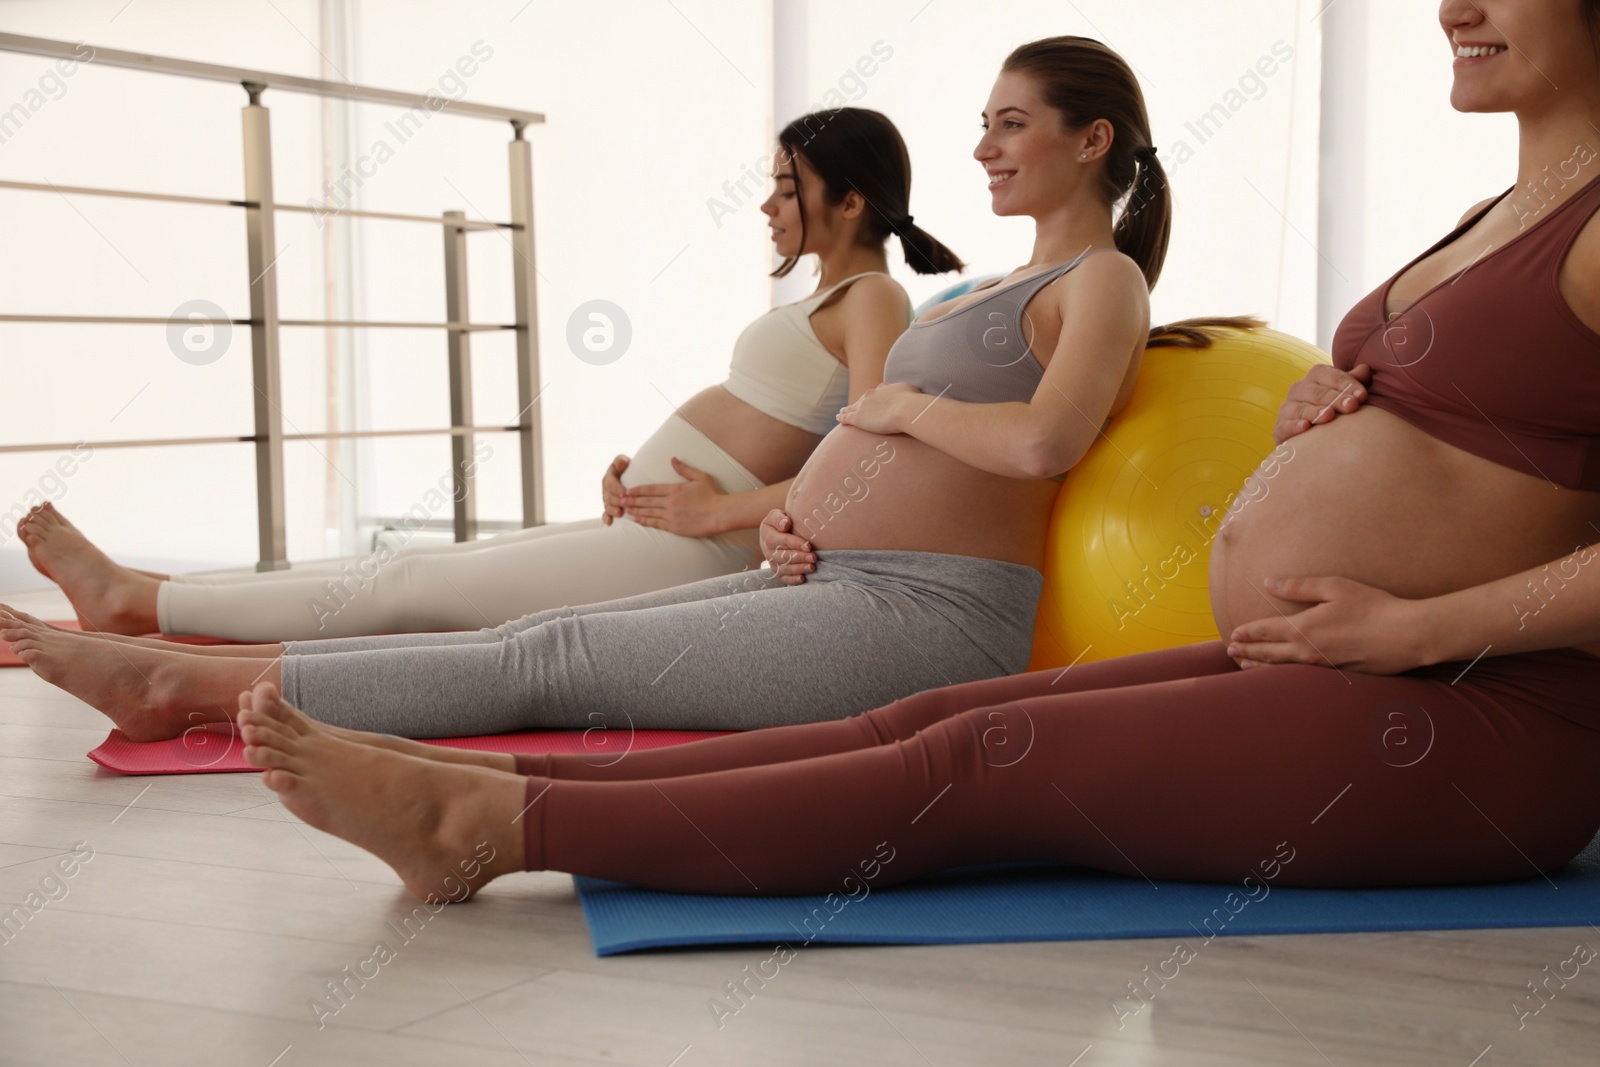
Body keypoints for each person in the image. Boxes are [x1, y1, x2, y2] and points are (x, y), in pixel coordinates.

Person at [214, 5, 1600, 901]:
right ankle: (499, 788)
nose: (1450, 7)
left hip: (1482, 712)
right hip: (1346, 654)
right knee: (917, 731)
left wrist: (1423, 619)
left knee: (976, 762)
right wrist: (1349, 406)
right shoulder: (1502, 204)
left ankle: (494, 831)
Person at [1, 36, 1220, 746]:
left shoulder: (1100, 279)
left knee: (548, 652)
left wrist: (893, 416)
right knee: (531, 635)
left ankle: (176, 677)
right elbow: (893, 449)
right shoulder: (1000, 285)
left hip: (924, 612)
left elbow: (1041, 443)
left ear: (1093, 139)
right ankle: (183, 660)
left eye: (1011, 125)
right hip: (834, 571)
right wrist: (808, 511)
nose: (984, 148)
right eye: (983, 124)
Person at [13, 107, 951, 642]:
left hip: (695, 549)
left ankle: (137, 602)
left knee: (412, 586)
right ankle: (149, 594)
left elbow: (867, 466)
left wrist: (714, 512)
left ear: (851, 198)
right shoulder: (834, 298)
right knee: (412, 570)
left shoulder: (873, 298)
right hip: (663, 527)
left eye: (787, 186)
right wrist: (657, 481)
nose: (767, 203)